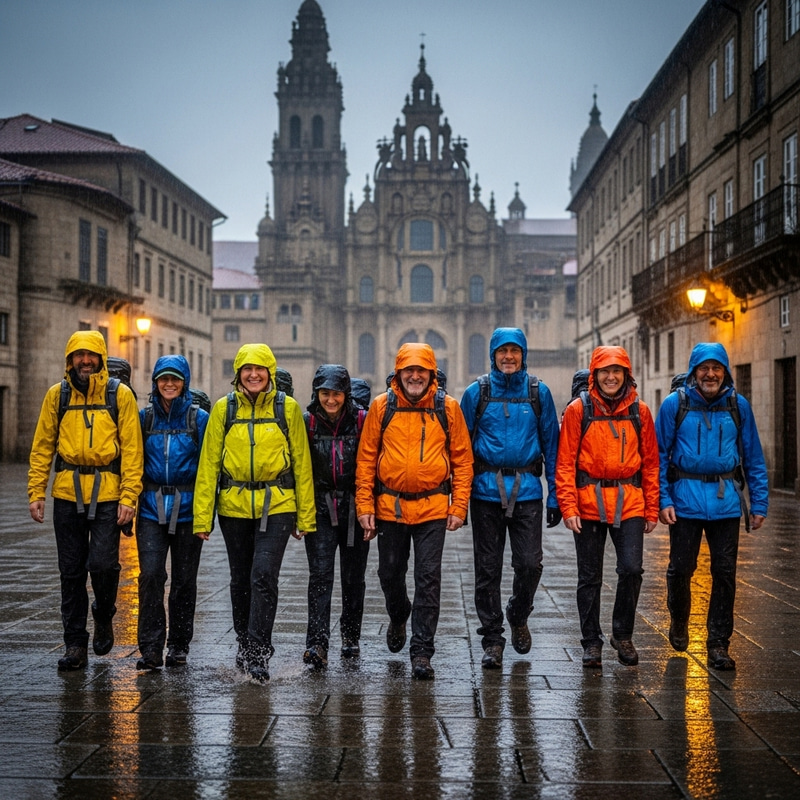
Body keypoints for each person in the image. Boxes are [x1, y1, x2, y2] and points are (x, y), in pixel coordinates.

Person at [193, 343, 315, 682]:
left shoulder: (287, 408)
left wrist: (305, 516)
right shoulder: (223, 409)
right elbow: (209, 464)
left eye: (260, 369)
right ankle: (244, 643)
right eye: (247, 369)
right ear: (238, 374)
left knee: (263, 575)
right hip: (233, 506)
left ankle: (259, 652)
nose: (253, 374)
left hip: (277, 505)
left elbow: (302, 463)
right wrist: (202, 517)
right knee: (240, 578)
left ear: (270, 373)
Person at [356, 343, 473, 679]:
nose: (415, 376)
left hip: (432, 508)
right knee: (389, 574)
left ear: (431, 374)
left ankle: (422, 651)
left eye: (422, 370)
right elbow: (366, 459)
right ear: (398, 374)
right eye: (409, 370)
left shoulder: (448, 408)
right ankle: (398, 614)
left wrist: (459, 506)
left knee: (428, 579)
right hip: (389, 507)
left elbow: (463, 460)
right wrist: (364, 505)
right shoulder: (382, 406)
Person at [28, 330, 143, 671]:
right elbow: (42, 446)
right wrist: (36, 491)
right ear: (70, 360)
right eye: (79, 355)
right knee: (71, 572)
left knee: (103, 565)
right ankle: (75, 643)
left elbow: (133, 450)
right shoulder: (57, 396)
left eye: (91, 355)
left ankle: (104, 613)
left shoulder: (120, 395)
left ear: (101, 359)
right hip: (67, 493)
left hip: (108, 495)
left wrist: (129, 497)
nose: (85, 360)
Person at [656, 342, 768, 671]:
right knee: (680, 570)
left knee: (725, 573)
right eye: (703, 368)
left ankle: (718, 643)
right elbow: (658, 456)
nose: (710, 374)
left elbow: (753, 456)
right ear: (694, 372)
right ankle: (679, 619)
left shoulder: (738, 406)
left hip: (726, 502)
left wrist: (759, 502)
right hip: (684, 501)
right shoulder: (674, 405)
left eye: (716, 368)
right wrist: (663, 499)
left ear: (725, 372)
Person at [460, 327, 560, 670]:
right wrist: (459, 498)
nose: (508, 357)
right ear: (493, 355)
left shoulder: (538, 393)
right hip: (485, 493)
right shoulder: (476, 393)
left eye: (514, 351)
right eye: (502, 351)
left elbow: (552, 446)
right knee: (487, 570)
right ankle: (492, 638)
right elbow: (460, 450)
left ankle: (518, 613)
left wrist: (555, 496)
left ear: (523, 355)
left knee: (530, 564)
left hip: (528, 490)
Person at [555, 346, 659, 667]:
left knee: (631, 569)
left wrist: (652, 508)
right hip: (588, 501)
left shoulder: (640, 412)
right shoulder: (578, 410)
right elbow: (565, 462)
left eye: (617, 371)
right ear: (594, 375)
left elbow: (651, 463)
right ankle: (591, 641)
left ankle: (622, 633)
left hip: (629, 501)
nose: (611, 377)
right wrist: (568, 507)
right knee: (590, 576)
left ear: (626, 375)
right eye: (604, 372)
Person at [136, 355, 209, 670]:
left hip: (188, 510)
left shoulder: (199, 419)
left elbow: (208, 468)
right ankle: (151, 648)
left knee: (184, 581)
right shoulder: (144, 418)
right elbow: (134, 462)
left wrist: (205, 514)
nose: (169, 384)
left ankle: (178, 645)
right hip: (150, 509)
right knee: (151, 575)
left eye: (174, 379)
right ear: (156, 382)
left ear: (185, 382)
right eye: (163, 379)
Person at [302, 364, 370, 668]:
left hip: (355, 509)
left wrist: (370, 510)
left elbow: (372, 465)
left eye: (337, 394)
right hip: (320, 508)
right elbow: (301, 468)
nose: (331, 400)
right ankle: (317, 643)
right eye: (325, 393)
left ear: (347, 395)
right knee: (320, 576)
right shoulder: (308, 422)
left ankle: (350, 636)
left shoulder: (362, 420)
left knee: (353, 578)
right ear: (317, 393)